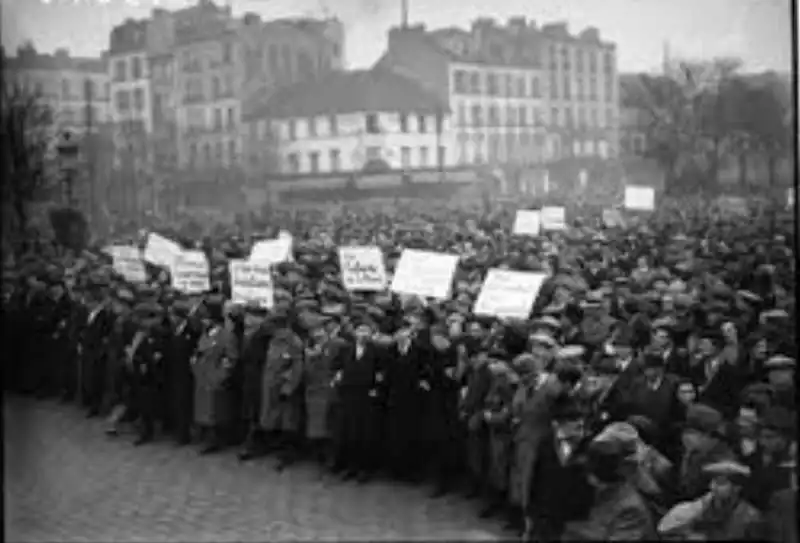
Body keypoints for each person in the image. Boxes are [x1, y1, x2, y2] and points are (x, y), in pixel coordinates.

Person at [659, 460, 764, 540]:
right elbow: (664, 529)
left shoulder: (750, 516)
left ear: (737, 487)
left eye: (721, 483)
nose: (713, 487)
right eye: (712, 482)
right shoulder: (698, 508)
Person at [191, 295, 240, 454]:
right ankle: (207, 435)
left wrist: (220, 376)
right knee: (205, 410)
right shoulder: (207, 333)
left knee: (215, 411)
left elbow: (230, 358)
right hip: (203, 377)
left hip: (214, 378)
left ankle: (216, 439)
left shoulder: (225, 335)